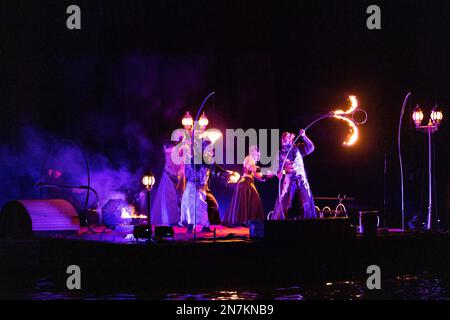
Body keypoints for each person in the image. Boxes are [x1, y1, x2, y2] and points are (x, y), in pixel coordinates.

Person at [273, 129, 317, 220]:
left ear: (291, 140)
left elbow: (311, 148)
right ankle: (278, 219)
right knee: (283, 198)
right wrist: (280, 173)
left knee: (306, 198)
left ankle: (310, 219)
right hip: (289, 178)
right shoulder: (280, 153)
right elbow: (277, 168)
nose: (283, 141)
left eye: (285, 139)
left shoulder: (298, 148)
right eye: (282, 139)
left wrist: (304, 136)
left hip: (301, 177)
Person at [223, 145, 266, 226]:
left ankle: (248, 222)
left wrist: (268, 175)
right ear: (255, 152)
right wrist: (264, 171)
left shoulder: (253, 163)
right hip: (245, 183)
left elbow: (259, 176)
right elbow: (251, 167)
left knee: (253, 201)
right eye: (258, 154)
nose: (259, 156)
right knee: (255, 201)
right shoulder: (249, 158)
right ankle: (246, 221)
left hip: (248, 183)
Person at [150, 141, 186, 226]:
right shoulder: (169, 150)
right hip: (168, 177)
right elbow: (167, 148)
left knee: (178, 199)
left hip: (177, 178)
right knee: (169, 199)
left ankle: (178, 219)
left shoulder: (181, 152)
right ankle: (172, 220)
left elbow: (181, 166)